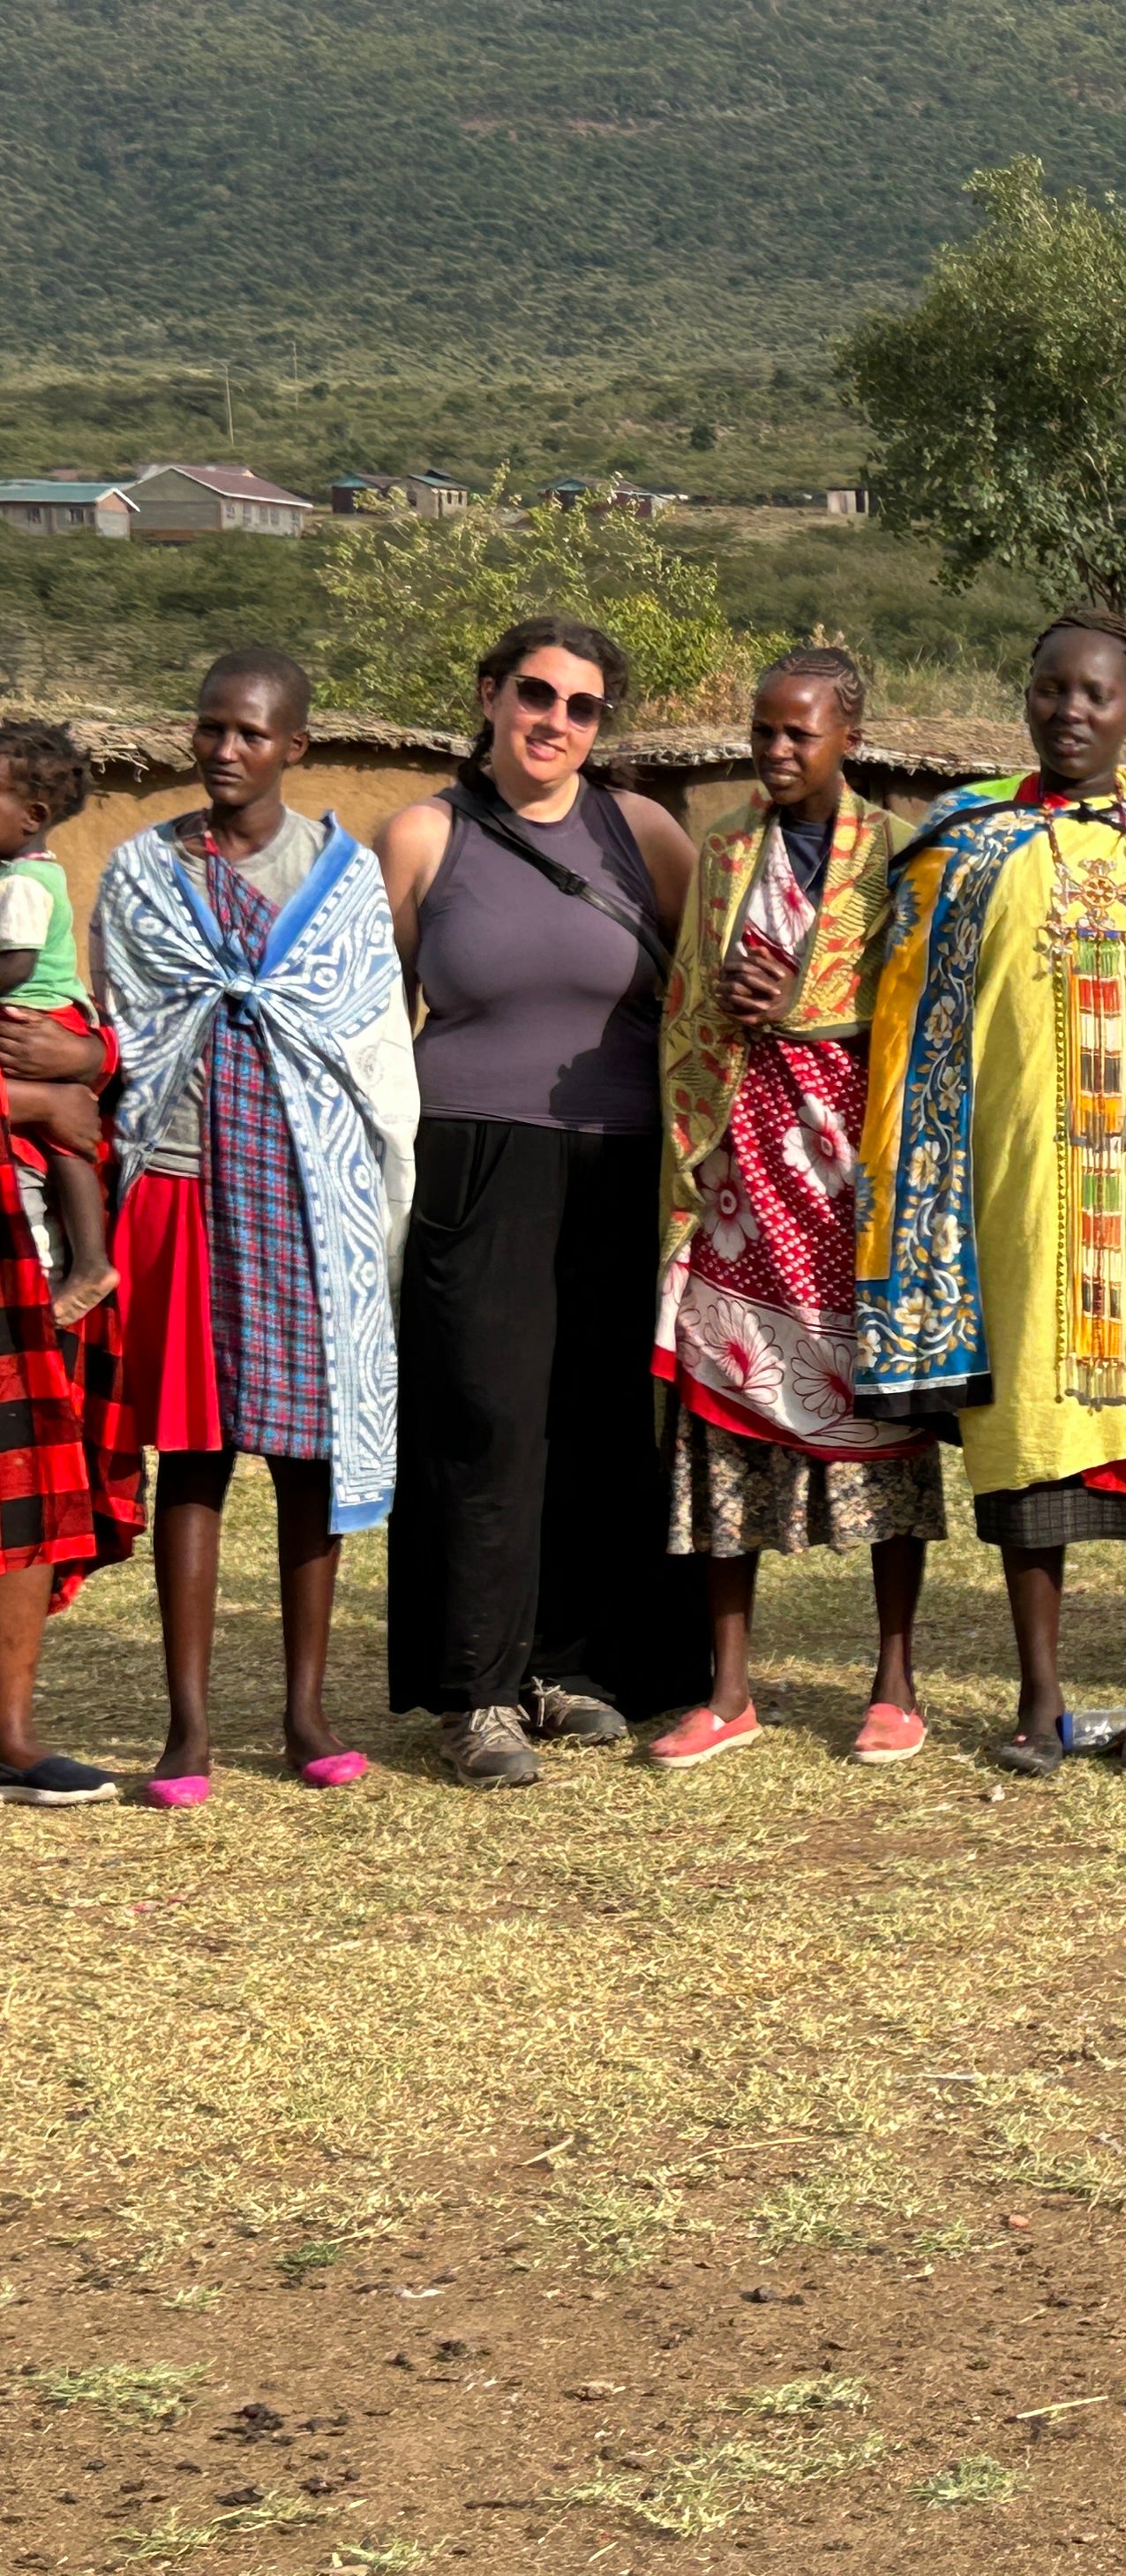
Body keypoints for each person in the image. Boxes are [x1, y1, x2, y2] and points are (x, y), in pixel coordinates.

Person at [858, 610, 1126, 1772]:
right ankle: (1039, 1702)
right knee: (1032, 1446)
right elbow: (910, 1026)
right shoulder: (964, 839)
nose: (1072, 711)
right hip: (1023, 1199)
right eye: (1051, 690)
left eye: (1096, 694)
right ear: (1027, 697)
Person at [380, 616, 709, 1785]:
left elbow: (708, 983)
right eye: (535, 694)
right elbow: (373, 1022)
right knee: (486, 1419)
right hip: (476, 1161)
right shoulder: (425, 836)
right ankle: (476, 1693)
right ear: (488, 694)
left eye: (582, 707)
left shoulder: (646, 834)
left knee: (599, 1417)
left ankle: (567, 1663)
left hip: (620, 1162)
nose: (554, 722)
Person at [94, 651, 416, 1807]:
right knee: (193, 1453)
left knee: (306, 1455)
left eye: (250, 732)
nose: (225, 748)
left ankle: (305, 1709)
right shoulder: (140, 872)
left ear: (295, 748)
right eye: (211, 727)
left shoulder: (338, 880)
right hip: (181, 1182)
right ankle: (187, 1728)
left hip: (305, 1188)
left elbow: (368, 1031)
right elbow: (123, 1025)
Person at [648, 647, 942, 1769]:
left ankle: (895, 1681)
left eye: (797, 733)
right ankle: (727, 1689)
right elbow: (685, 1003)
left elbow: (924, 1011)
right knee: (719, 1421)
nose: (775, 751)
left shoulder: (900, 857)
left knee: (884, 1421)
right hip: (738, 1180)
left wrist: (817, 1000)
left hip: (854, 1185)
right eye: (762, 731)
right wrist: (729, 1013)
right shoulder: (724, 850)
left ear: (848, 738)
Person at [0, 732, 138, 1811]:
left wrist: (82, 1067)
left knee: (25, 1470)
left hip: (16, 1229)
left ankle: (8, 1730)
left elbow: (97, 1052)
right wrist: (35, 1101)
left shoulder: (27, 887)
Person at [0, 723, 116, 1327]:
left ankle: (91, 1262)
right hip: (42, 1016)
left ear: (33, 814)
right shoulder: (20, 873)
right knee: (62, 1130)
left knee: (68, 1138)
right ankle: (90, 1259)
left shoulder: (22, 880)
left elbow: (16, 963)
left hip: (41, 1013)